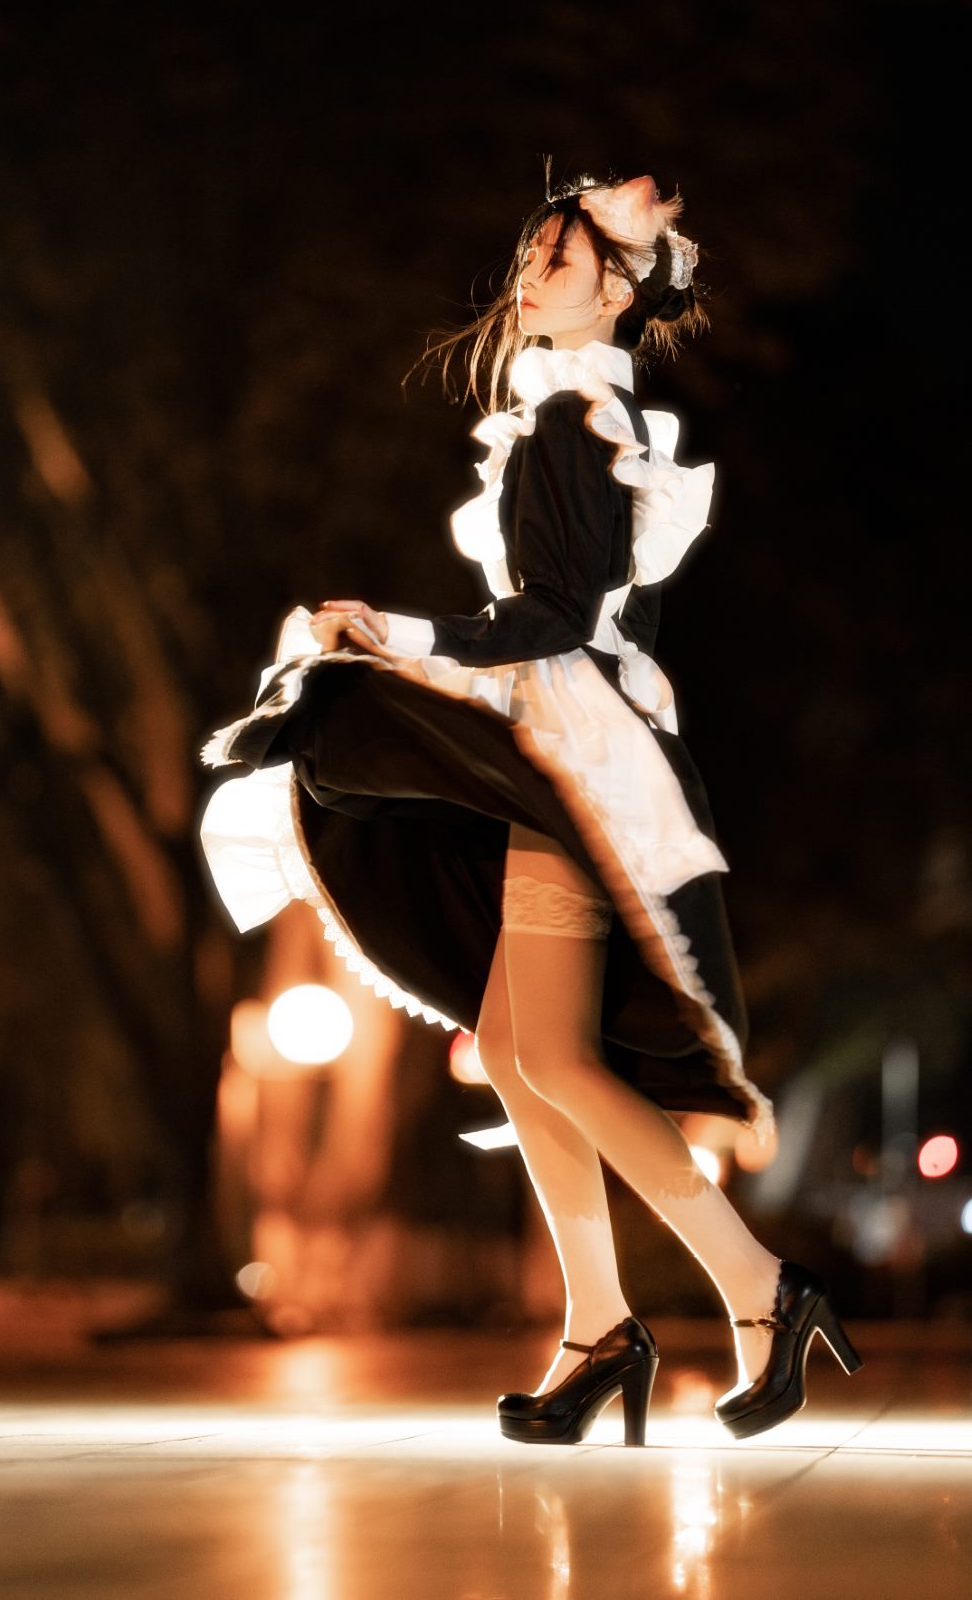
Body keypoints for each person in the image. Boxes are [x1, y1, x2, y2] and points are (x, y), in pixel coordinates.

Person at [197, 168, 863, 1446]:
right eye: (527, 257)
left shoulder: (576, 417)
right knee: (515, 1051)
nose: (527, 276)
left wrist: (396, 631)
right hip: (565, 751)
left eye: (555, 258)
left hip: (581, 764)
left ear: (614, 288)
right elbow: (566, 618)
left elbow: (554, 617)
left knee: (548, 1055)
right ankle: (602, 1326)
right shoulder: (576, 412)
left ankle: (761, 1289)